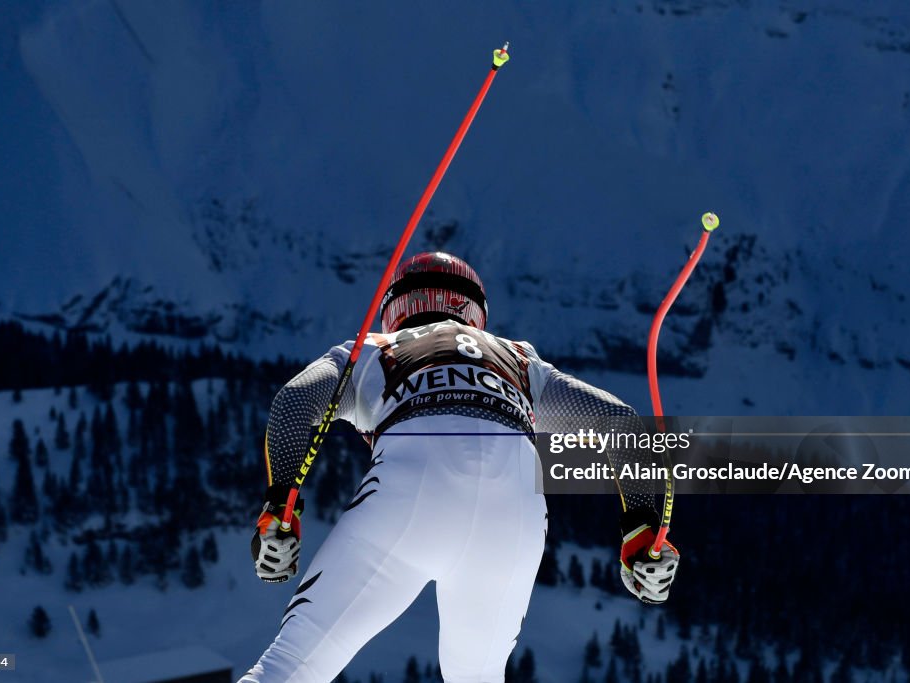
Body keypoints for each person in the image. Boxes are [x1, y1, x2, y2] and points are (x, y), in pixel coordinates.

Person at [240, 252, 680, 683]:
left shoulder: (371, 348)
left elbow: (295, 404)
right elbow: (620, 424)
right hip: (515, 516)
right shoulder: (521, 360)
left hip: (410, 492)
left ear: (396, 308)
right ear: (475, 311)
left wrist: (282, 506)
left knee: (290, 668)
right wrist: (641, 529)